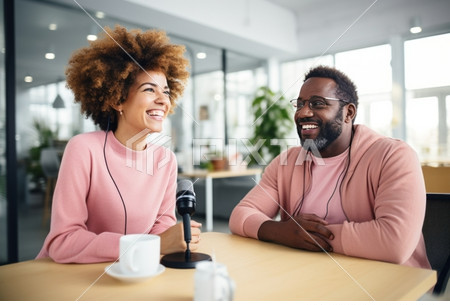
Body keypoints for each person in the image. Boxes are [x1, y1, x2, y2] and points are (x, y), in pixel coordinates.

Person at [229, 65, 431, 269]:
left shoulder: (393, 156)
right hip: (311, 274)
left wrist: (307, 237)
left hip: (392, 284)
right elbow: (241, 214)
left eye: (318, 103)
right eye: (299, 104)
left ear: (348, 113)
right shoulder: (286, 162)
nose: (303, 113)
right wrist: (283, 232)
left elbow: (394, 243)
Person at [36, 25, 201, 263]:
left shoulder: (166, 160)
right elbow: (62, 242)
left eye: (166, 91)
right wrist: (157, 243)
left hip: (132, 273)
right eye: (149, 89)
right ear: (117, 99)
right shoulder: (83, 149)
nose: (163, 100)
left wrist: (173, 240)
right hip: (69, 278)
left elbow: (160, 231)